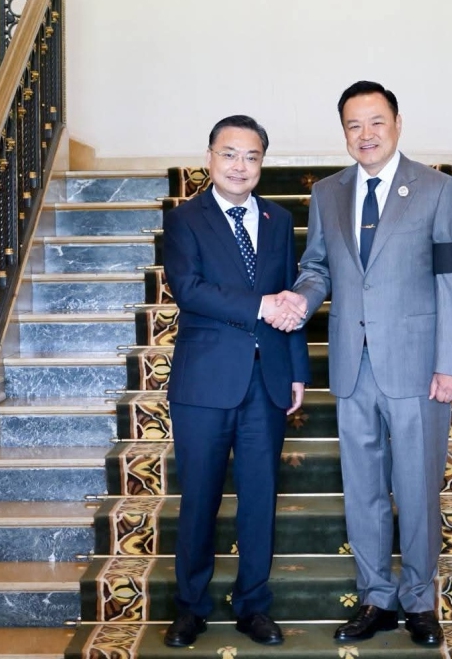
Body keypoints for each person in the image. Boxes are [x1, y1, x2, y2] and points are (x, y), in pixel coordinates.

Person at [278, 81, 452, 647]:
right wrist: (303, 299)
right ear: (343, 132)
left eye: (375, 122)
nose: (365, 134)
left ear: (397, 123)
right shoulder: (327, 194)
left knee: (415, 488)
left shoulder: (437, 190)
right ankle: (375, 596)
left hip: (417, 367)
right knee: (361, 489)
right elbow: (317, 267)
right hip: (351, 367)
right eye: (353, 125)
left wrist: (451, 363)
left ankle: (418, 599)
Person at [161, 115, 311, 648]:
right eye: (229, 154)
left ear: (261, 163)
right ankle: (191, 606)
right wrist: (260, 306)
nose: (239, 165)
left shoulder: (278, 218)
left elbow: (289, 298)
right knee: (199, 496)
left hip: (266, 381)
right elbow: (190, 290)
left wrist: (297, 370)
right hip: (204, 383)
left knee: (259, 497)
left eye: (251, 156)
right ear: (210, 158)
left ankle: (253, 605)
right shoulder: (185, 220)